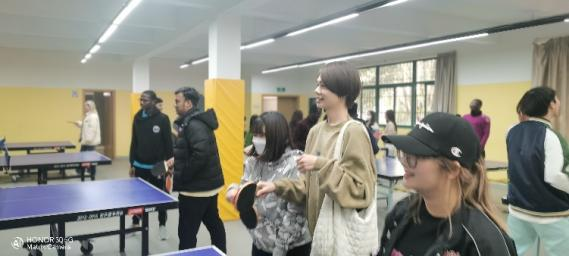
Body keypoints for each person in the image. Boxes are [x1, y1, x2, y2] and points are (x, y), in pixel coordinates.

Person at [256, 61, 378, 255]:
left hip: (343, 242)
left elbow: (361, 191)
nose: (316, 90)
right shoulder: (315, 131)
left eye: (323, 86)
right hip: (319, 239)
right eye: (317, 84)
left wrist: (321, 165)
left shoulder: (354, 132)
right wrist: (277, 186)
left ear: (342, 91)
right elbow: (308, 186)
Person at [380, 112, 517, 255]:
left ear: (452, 170)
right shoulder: (400, 213)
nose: (404, 162)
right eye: (404, 153)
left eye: (415, 156)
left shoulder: (485, 243)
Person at [226, 112, 311, 256]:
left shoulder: (296, 163)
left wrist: (279, 249)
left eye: (262, 135)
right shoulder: (253, 161)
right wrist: (233, 191)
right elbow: (245, 187)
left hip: (290, 248)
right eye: (255, 135)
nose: (256, 140)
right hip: (260, 243)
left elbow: (295, 214)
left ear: (277, 136)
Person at [506, 86, 569, 256]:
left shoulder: (511, 131)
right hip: (550, 214)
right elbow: (554, 176)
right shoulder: (551, 136)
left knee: (514, 251)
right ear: (551, 104)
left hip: (517, 208)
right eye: (557, 99)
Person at [171, 87, 226, 252]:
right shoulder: (196, 121)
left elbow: (201, 154)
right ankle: (221, 252)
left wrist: (184, 175)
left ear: (188, 103)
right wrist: (176, 161)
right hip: (207, 187)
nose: (175, 105)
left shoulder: (193, 124)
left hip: (195, 190)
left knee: (187, 233)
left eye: (177, 101)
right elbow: (196, 150)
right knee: (214, 224)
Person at [129, 90, 173, 240]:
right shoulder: (137, 117)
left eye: (145, 100)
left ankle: (162, 225)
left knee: (160, 197)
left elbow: (168, 143)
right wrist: (131, 162)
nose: (142, 103)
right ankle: (135, 221)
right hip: (140, 165)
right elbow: (134, 141)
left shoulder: (163, 119)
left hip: (158, 166)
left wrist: (169, 165)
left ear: (153, 102)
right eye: (140, 100)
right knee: (137, 197)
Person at [72, 100, 101, 180]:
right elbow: (86, 126)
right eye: (85, 106)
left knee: (91, 161)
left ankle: (92, 176)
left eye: (87, 106)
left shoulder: (93, 117)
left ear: (91, 107)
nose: (85, 107)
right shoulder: (88, 116)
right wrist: (79, 123)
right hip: (85, 143)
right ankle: (82, 175)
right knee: (83, 159)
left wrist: (88, 140)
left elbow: (92, 129)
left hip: (89, 143)